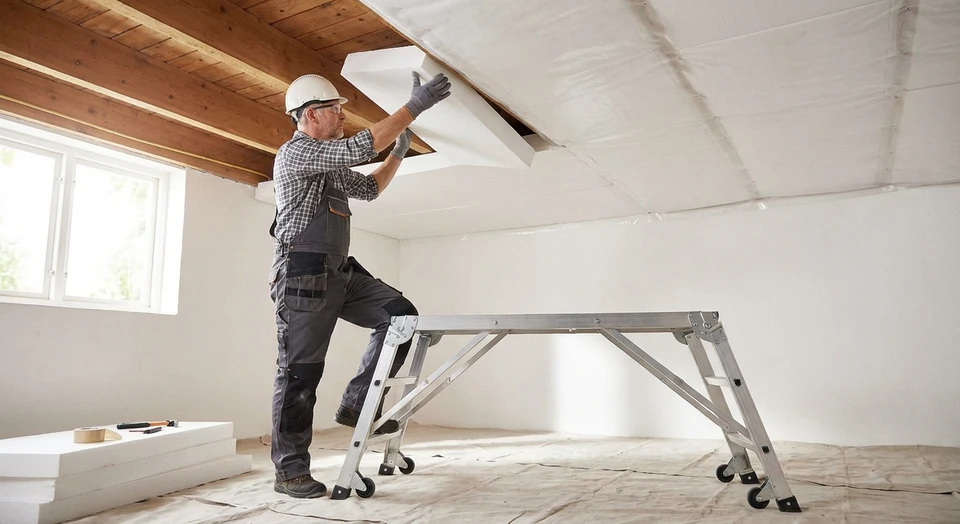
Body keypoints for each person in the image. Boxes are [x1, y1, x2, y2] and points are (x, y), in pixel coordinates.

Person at [267, 71, 451, 498]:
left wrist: (399, 155)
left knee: (401, 316)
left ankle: (357, 404)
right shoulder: (295, 154)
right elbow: (360, 146)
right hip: (303, 277)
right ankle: (290, 471)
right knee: (300, 375)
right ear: (312, 115)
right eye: (335, 110)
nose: (341, 116)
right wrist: (414, 108)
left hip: (339, 273)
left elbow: (368, 188)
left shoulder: (329, 168)